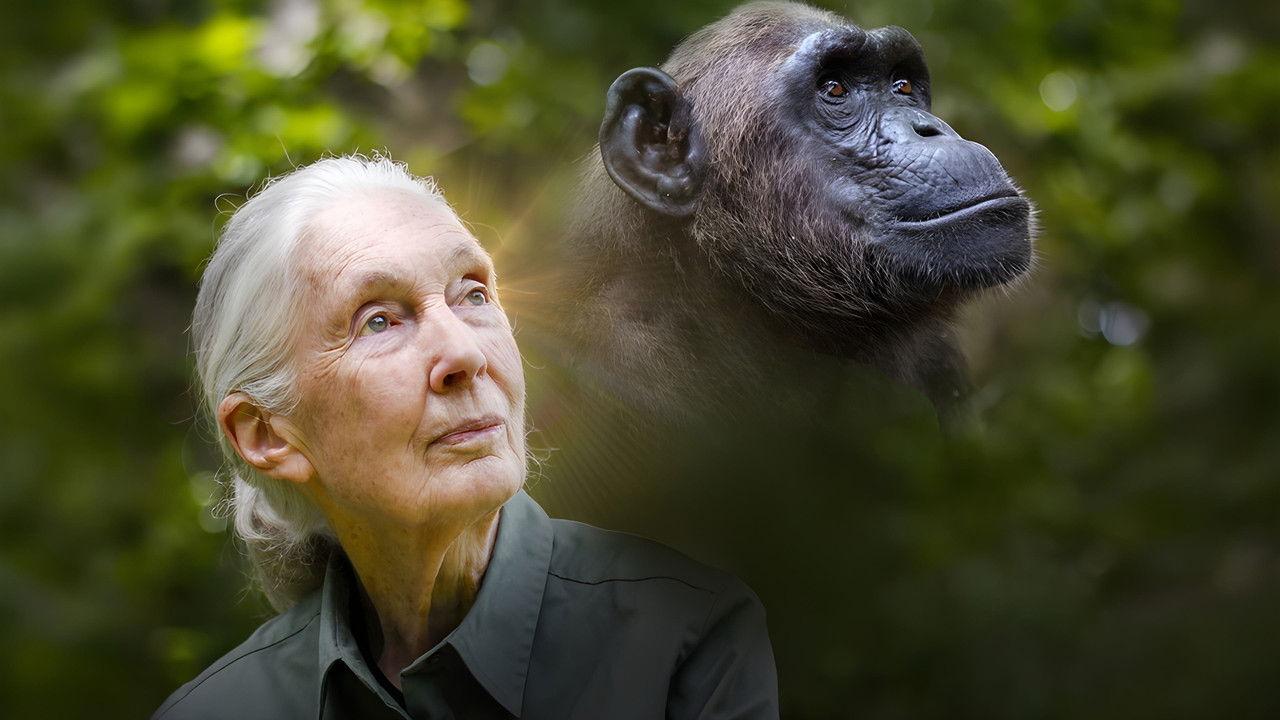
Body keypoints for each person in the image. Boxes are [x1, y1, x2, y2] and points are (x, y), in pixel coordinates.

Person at [153, 155, 778, 720]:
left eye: (473, 294)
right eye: (378, 321)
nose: (464, 352)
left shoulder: (686, 642)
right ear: (268, 435)